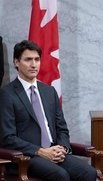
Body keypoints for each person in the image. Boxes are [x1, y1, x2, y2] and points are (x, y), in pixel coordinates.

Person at [0, 40, 97, 181]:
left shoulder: (49, 91)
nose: (34, 64)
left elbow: (61, 128)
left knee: (89, 172)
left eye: (37, 59)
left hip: (54, 151)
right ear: (16, 62)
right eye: (28, 60)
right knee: (60, 175)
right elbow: (7, 138)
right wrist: (40, 151)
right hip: (28, 156)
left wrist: (62, 148)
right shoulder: (7, 94)